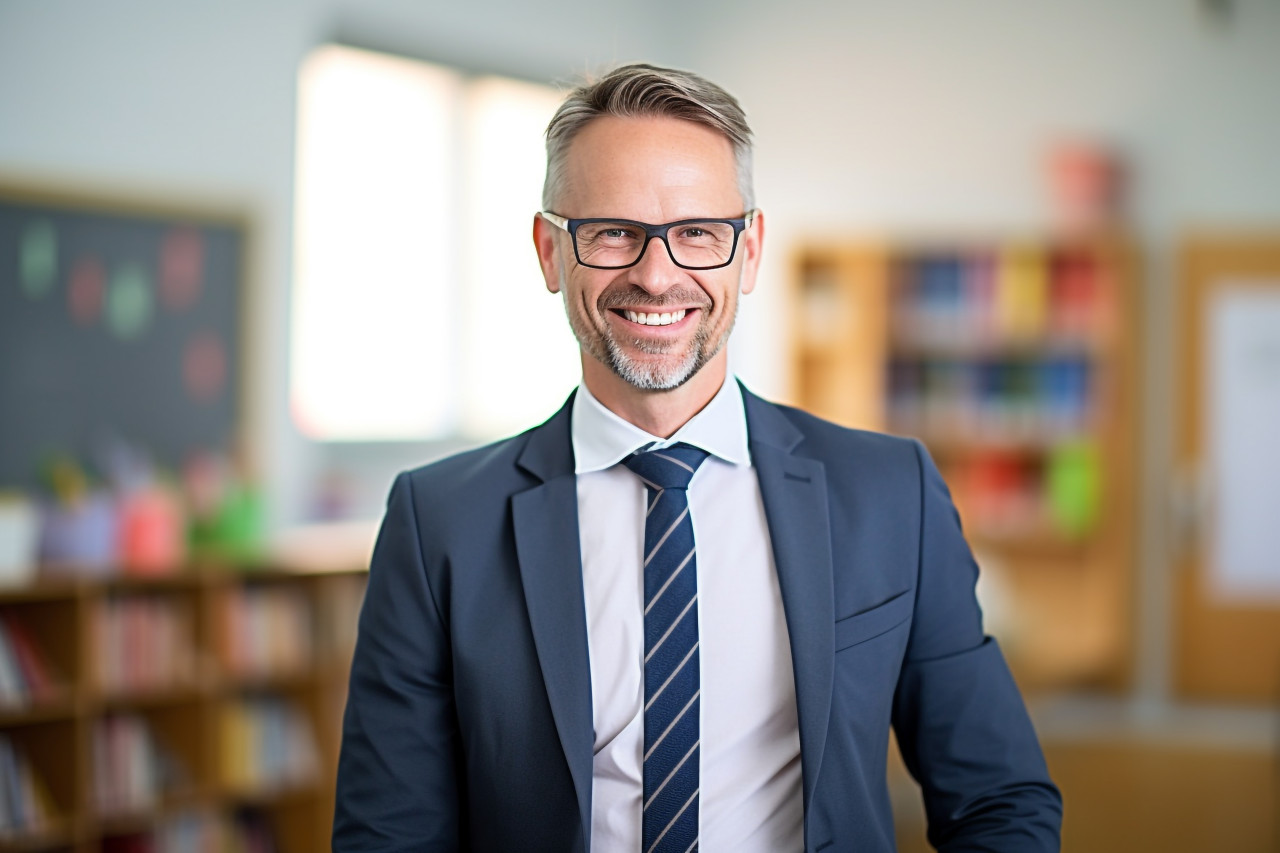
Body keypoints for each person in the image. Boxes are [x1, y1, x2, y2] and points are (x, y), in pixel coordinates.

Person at [333, 63, 1062, 853]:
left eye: (698, 233)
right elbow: (387, 835)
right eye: (612, 231)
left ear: (748, 252)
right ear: (550, 251)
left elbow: (1000, 797)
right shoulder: (439, 522)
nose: (656, 273)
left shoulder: (890, 495)